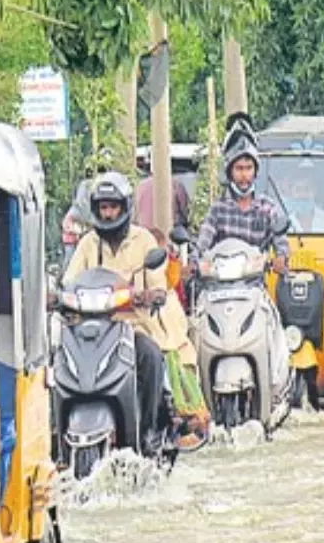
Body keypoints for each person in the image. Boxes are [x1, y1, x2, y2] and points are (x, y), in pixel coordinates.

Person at [64, 173, 207, 449]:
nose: (107, 214)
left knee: (152, 356)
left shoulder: (144, 241)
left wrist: (150, 295)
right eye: (103, 207)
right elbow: (70, 281)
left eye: (113, 207)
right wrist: (57, 297)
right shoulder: (87, 244)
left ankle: (150, 430)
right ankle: (59, 434)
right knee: (61, 362)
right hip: (92, 330)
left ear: (125, 207)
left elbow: (158, 286)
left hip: (133, 328)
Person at [196, 140, 292, 275]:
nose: (244, 175)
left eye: (249, 168)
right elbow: (203, 242)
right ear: (230, 172)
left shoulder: (267, 207)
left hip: (254, 284)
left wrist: (281, 257)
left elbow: (281, 241)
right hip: (219, 285)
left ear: (255, 171)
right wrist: (193, 262)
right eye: (239, 168)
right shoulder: (218, 209)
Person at [280, 168, 324, 233]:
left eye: (307, 189)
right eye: (297, 190)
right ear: (292, 193)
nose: (302, 194)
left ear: (314, 191)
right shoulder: (284, 224)